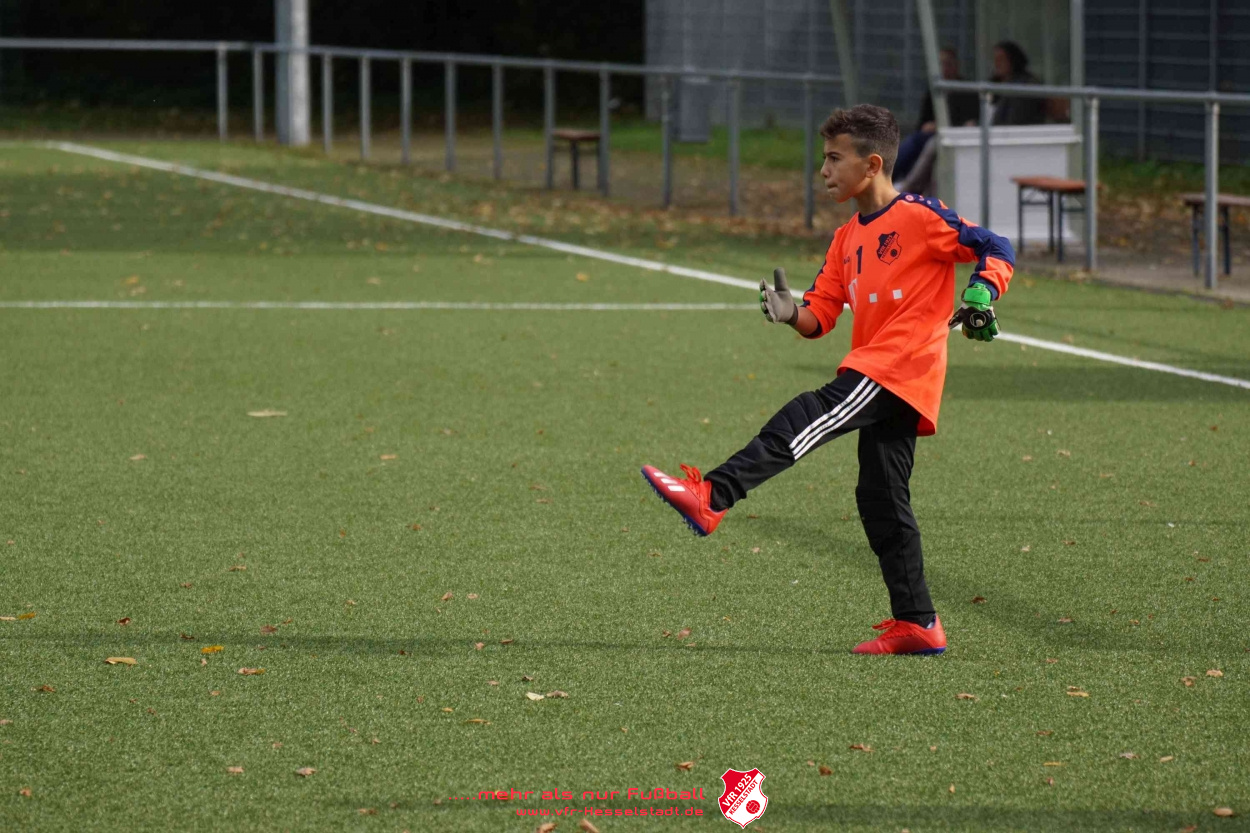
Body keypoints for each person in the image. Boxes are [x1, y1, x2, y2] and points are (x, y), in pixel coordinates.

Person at [641, 104, 1014, 656]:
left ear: (873, 164)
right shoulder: (845, 239)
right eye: (825, 159)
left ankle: (712, 495)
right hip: (885, 373)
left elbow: (996, 246)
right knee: (880, 498)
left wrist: (983, 290)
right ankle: (918, 622)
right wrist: (790, 311)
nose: (824, 170)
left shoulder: (921, 216)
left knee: (809, 412)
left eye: (835, 159)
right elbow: (821, 316)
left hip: (899, 366)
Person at [892, 48, 979, 184]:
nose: (945, 68)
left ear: (956, 66)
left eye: (948, 64)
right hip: (927, 135)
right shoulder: (933, 92)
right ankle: (891, 178)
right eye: (941, 64)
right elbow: (922, 122)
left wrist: (939, 126)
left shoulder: (966, 91)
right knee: (913, 142)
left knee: (918, 143)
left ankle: (898, 182)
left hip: (949, 137)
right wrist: (927, 126)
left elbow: (968, 123)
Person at [990, 41, 1046, 126]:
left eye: (1001, 59)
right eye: (995, 60)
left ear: (1013, 60)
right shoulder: (997, 85)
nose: (996, 64)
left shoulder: (1025, 87)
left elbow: (1014, 121)